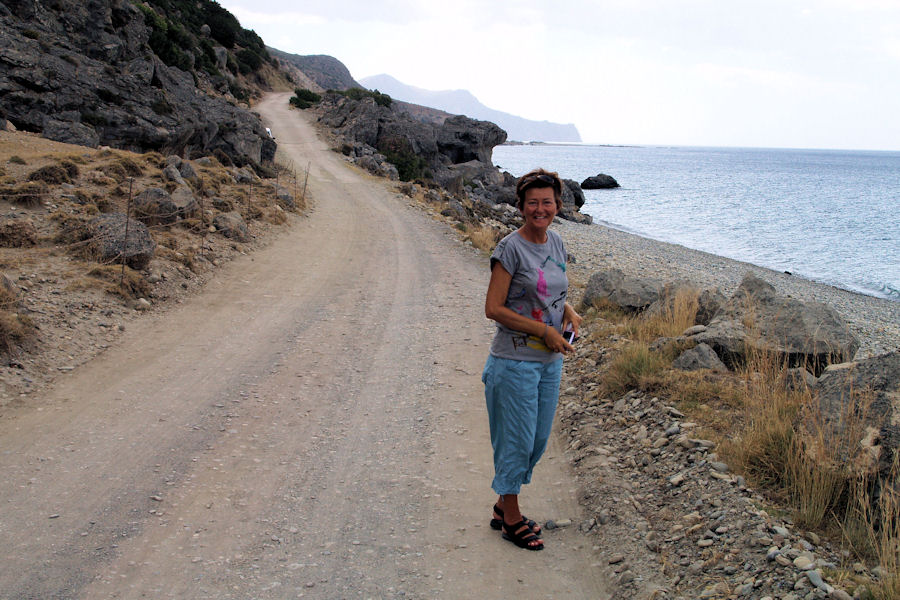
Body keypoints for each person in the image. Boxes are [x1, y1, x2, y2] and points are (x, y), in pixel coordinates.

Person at [482, 168, 582, 551]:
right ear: (521, 206)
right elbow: (493, 308)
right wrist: (543, 331)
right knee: (516, 442)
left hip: (549, 363)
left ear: (558, 205)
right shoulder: (509, 249)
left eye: (547, 202)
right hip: (514, 363)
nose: (540, 209)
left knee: (537, 441)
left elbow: (548, 290)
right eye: (533, 203)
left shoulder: (555, 241)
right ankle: (510, 517)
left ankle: (502, 503)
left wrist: (568, 312)